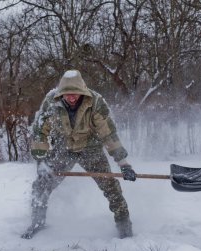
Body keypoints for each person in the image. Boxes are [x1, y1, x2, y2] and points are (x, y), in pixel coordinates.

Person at [21, 69, 136, 239]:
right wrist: (41, 161)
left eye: (75, 93)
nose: (71, 97)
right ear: (61, 93)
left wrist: (124, 164)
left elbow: (108, 134)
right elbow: (40, 131)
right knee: (41, 184)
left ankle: (124, 227)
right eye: (67, 94)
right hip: (63, 148)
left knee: (111, 188)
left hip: (91, 149)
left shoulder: (95, 102)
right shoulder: (51, 101)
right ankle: (37, 222)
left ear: (82, 90)